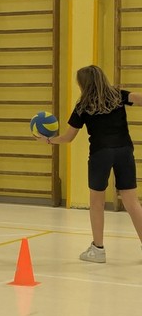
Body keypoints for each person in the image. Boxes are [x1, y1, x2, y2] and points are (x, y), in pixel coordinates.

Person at [36, 65, 142, 263]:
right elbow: (139, 98)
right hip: (124, 151)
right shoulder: (119, 96)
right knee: (132, 202)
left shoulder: (83, 106)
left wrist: (49, 140)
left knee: (96, 202)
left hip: (100, 154)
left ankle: (98, 249)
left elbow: (68, 137)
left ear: (83, 84)